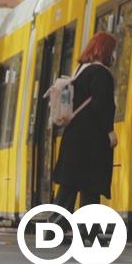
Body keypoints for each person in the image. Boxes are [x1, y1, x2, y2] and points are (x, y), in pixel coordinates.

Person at [52, 32, 118, 214]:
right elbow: (102, 105)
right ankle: (87, 233)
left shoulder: (79, 71)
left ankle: (53, 231)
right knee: (90, 190)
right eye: (113, 50)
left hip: (73, 138)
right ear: (105, 51)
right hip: (91, 142)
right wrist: (110, 131)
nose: (114, 55)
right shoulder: (101, 74)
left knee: (67, 191)